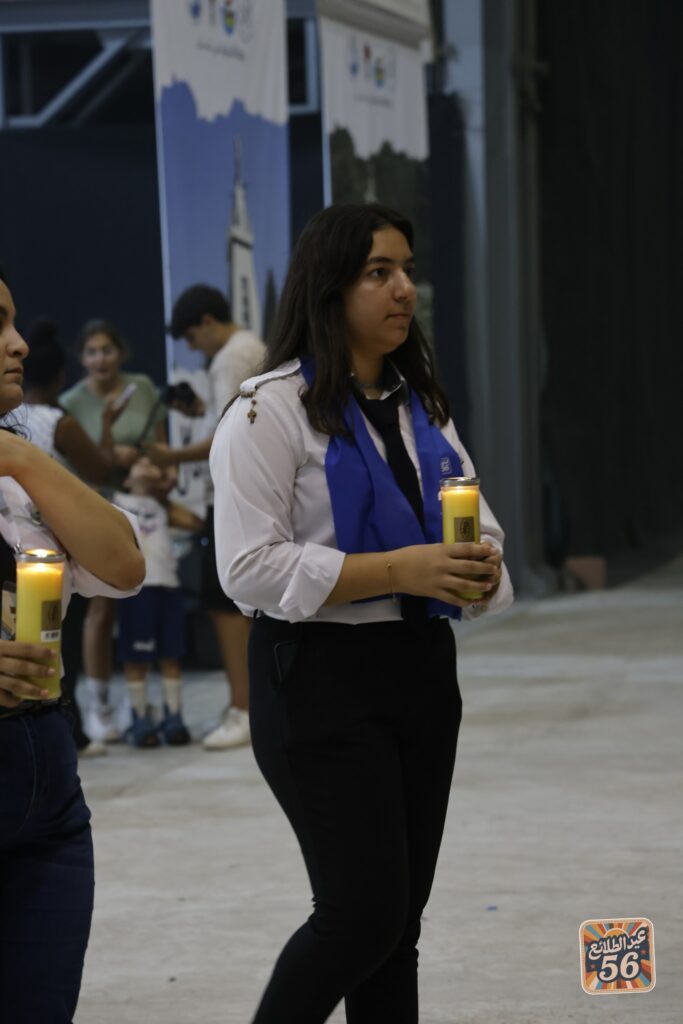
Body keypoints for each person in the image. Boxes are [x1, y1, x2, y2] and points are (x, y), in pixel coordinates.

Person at [210, 203, 514, 1024]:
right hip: (318, 677)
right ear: (329, 287)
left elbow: (478, 524)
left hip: (420, 670)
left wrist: (480, 567)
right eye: (378, 273)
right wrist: (399, 569)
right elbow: (246, 568)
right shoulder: (267, 410)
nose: (403, 289)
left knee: (397, 926)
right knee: (360, 915)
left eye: (407, 270)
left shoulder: (422, 406)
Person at [0, 270, 146, 1022]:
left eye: (13, 321)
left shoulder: (20, 467)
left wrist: (22, 459)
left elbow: (123, 565)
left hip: (47, 789)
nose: (19, 344)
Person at [146, 285, 266, 750]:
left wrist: (171, 455)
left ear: (208, 322)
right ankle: (252, 704)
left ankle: (244, 710)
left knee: (225, 605)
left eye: (194, 339)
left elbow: (228, 434)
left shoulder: (230, 357)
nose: (196, 349)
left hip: (235, 495)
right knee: (245, 603)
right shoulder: (251, 346)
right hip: (252, 493)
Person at [20, 318, 130, 757]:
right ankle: (74, 729)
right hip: (55, 544)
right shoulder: (57, 422)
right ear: (61, 375)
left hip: (16, 547)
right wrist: (106, 423)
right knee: (62, 637)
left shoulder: (11, 420)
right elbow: (101, 468)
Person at [60, 318, 167, 743]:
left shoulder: (142, 387)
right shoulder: (70, 402)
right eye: (92, 351)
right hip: (97, 506)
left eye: (107, 349)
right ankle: (99, 704)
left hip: (145, 505)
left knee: (154, 602)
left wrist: (146, 461)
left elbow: (160, 443)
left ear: (121, 352)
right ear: (81, 358)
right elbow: (70, 466)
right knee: (101, 608)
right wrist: (109, 455)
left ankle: (148, 704)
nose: (100, 358)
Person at [113, 456, 203, 748]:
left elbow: (195, 523)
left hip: (169, 585)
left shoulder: (162, 505)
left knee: (171, 655)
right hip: (138, 589)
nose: (148, 465)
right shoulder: (118, 502)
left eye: (152, 463)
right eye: (139, 463)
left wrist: (164, 494)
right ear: (126, 478)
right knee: (136, 657)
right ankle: (140, 718)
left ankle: (174, 717)